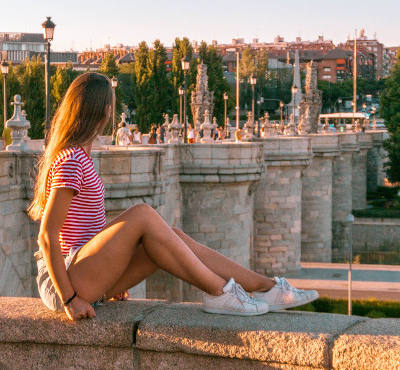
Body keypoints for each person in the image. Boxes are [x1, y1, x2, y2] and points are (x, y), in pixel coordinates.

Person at [30, 72, 318, 322]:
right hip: (63, 283)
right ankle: (221, 293)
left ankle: (266, 288)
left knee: (173, 237)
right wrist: (69, 300)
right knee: (143, 213)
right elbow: (47, 236)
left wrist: (111, 267)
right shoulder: (71, 160)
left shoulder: (80, 157)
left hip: (84, 272)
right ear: (104, 111)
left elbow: (85, 233)